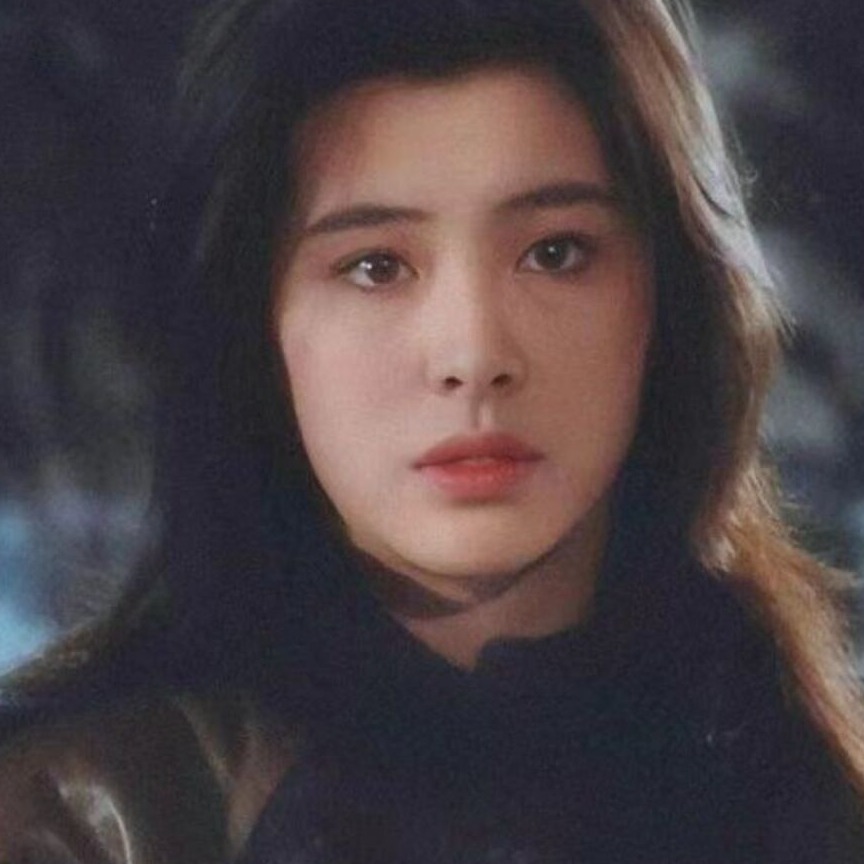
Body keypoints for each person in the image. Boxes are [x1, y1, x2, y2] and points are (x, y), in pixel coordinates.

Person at [0, 0, 862, 860]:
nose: (474, 355)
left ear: (672, 301)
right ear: (255, 328)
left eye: (555, 252)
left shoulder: (806, 787)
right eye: (376, 267)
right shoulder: (84, 817)